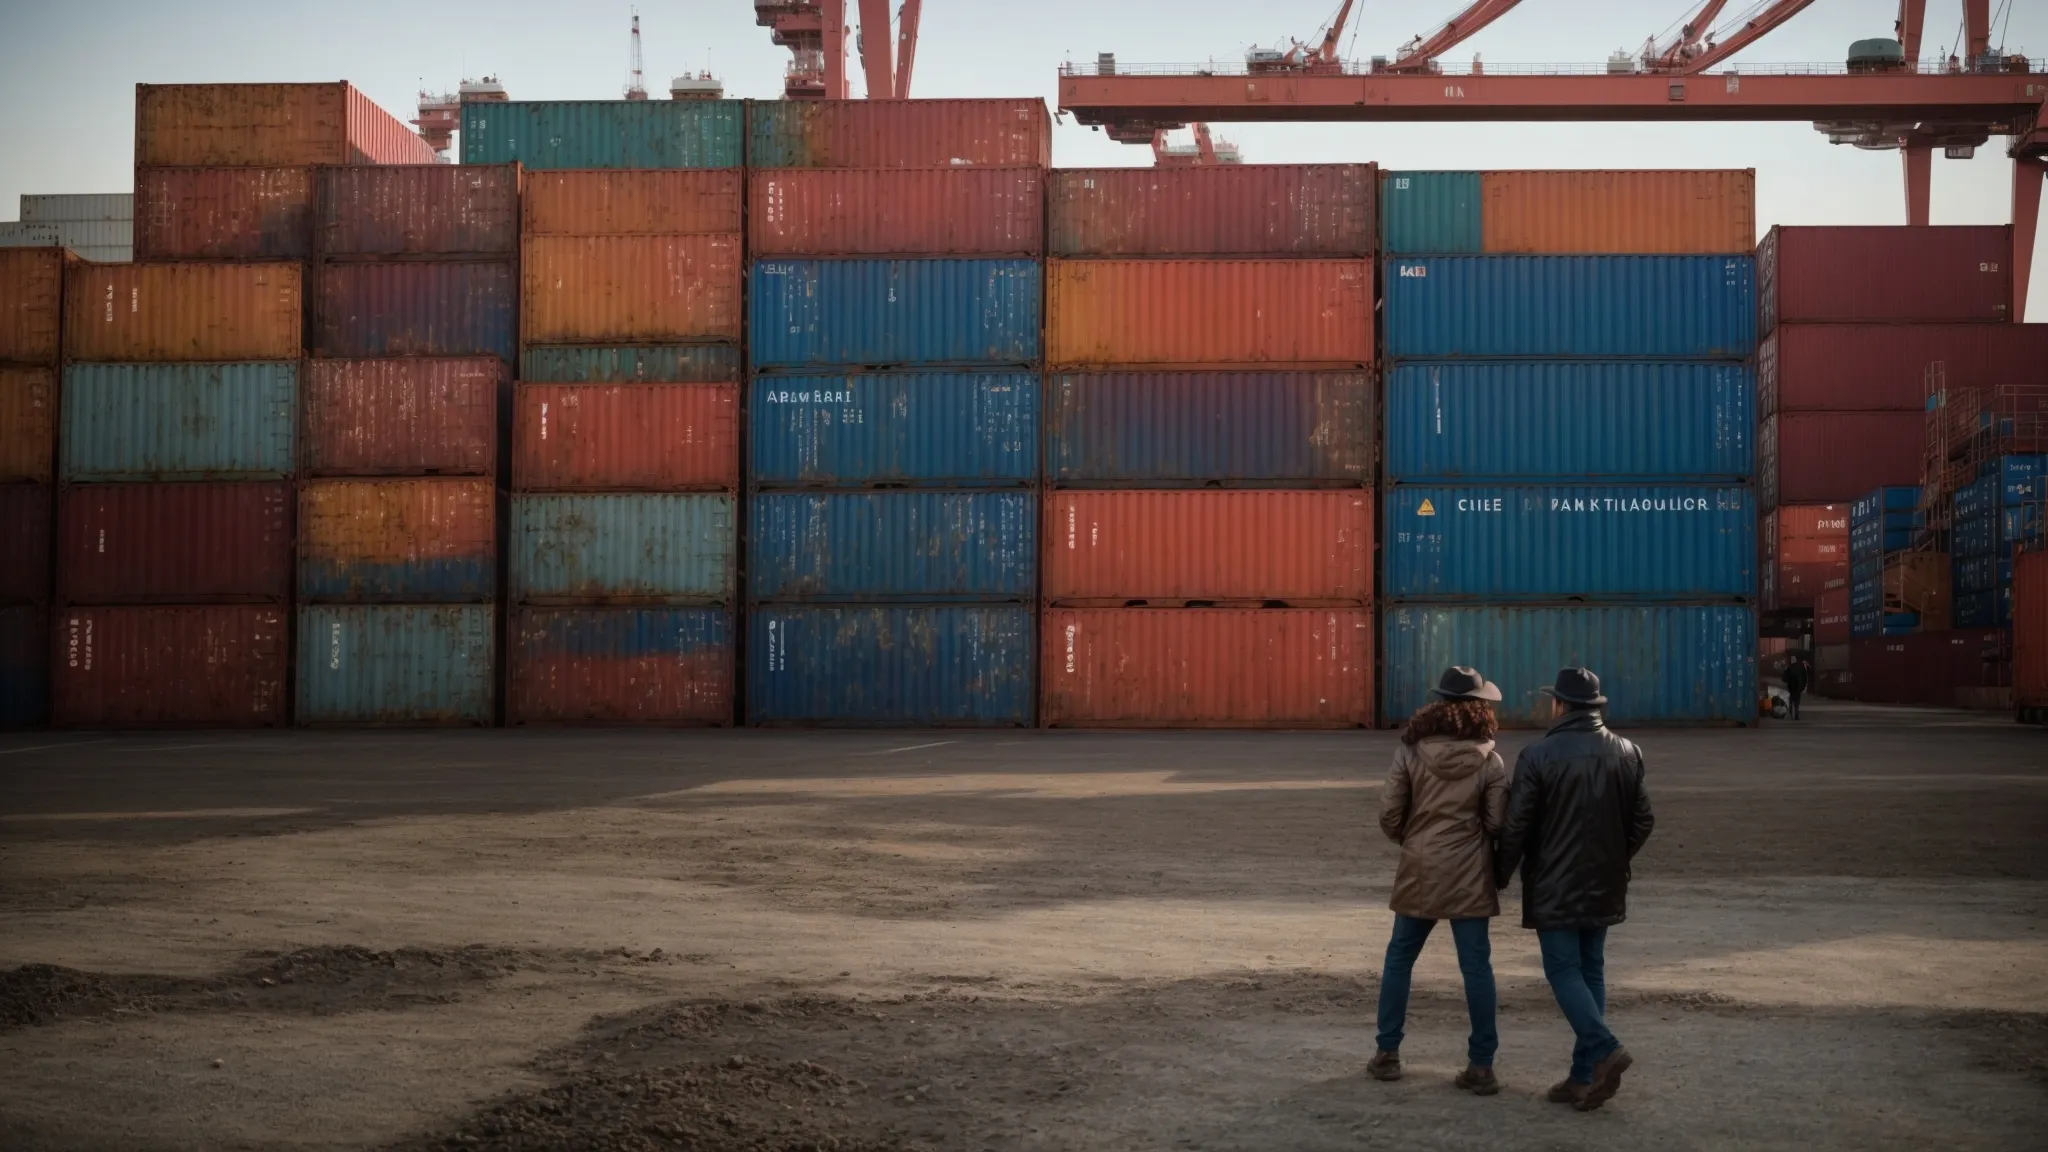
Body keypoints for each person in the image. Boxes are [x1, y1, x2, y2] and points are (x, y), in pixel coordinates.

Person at [1494, 668, 1655, 1113]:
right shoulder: (1628, 752)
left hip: (1553, 884)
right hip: (1604, 883)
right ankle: (1583, 1077)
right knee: (1591, 971)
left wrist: (1500, 874)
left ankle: (1605, 1049)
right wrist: (1614, 859)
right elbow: (1643, 821)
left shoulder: (1538, 755)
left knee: (1564, 971)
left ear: (1560, 705)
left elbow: (1517, 827)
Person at [1367, 666, 1511, 1096]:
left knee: (1399, 961)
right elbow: (1498, 821)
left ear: (1439, 704)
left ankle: (1387, 1055)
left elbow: (1390, 813)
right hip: (1469, 873)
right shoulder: (1491, 758)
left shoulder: (1410, 751)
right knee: (1476, 968)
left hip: (1419, 867)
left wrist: (1415, 841)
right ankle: (1481, 1065)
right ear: (1480, 707)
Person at [1781, 655, 1809, 720]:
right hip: (1798, 687)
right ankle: (1796, 714)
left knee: (1791, 701)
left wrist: (1787, 681)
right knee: (1797, 702)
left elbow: (1784, 678)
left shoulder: (1789, 668)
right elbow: (1805, 677)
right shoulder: (1801, 667)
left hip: (1791, 687)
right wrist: (1803, 686)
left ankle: (1792, 713)